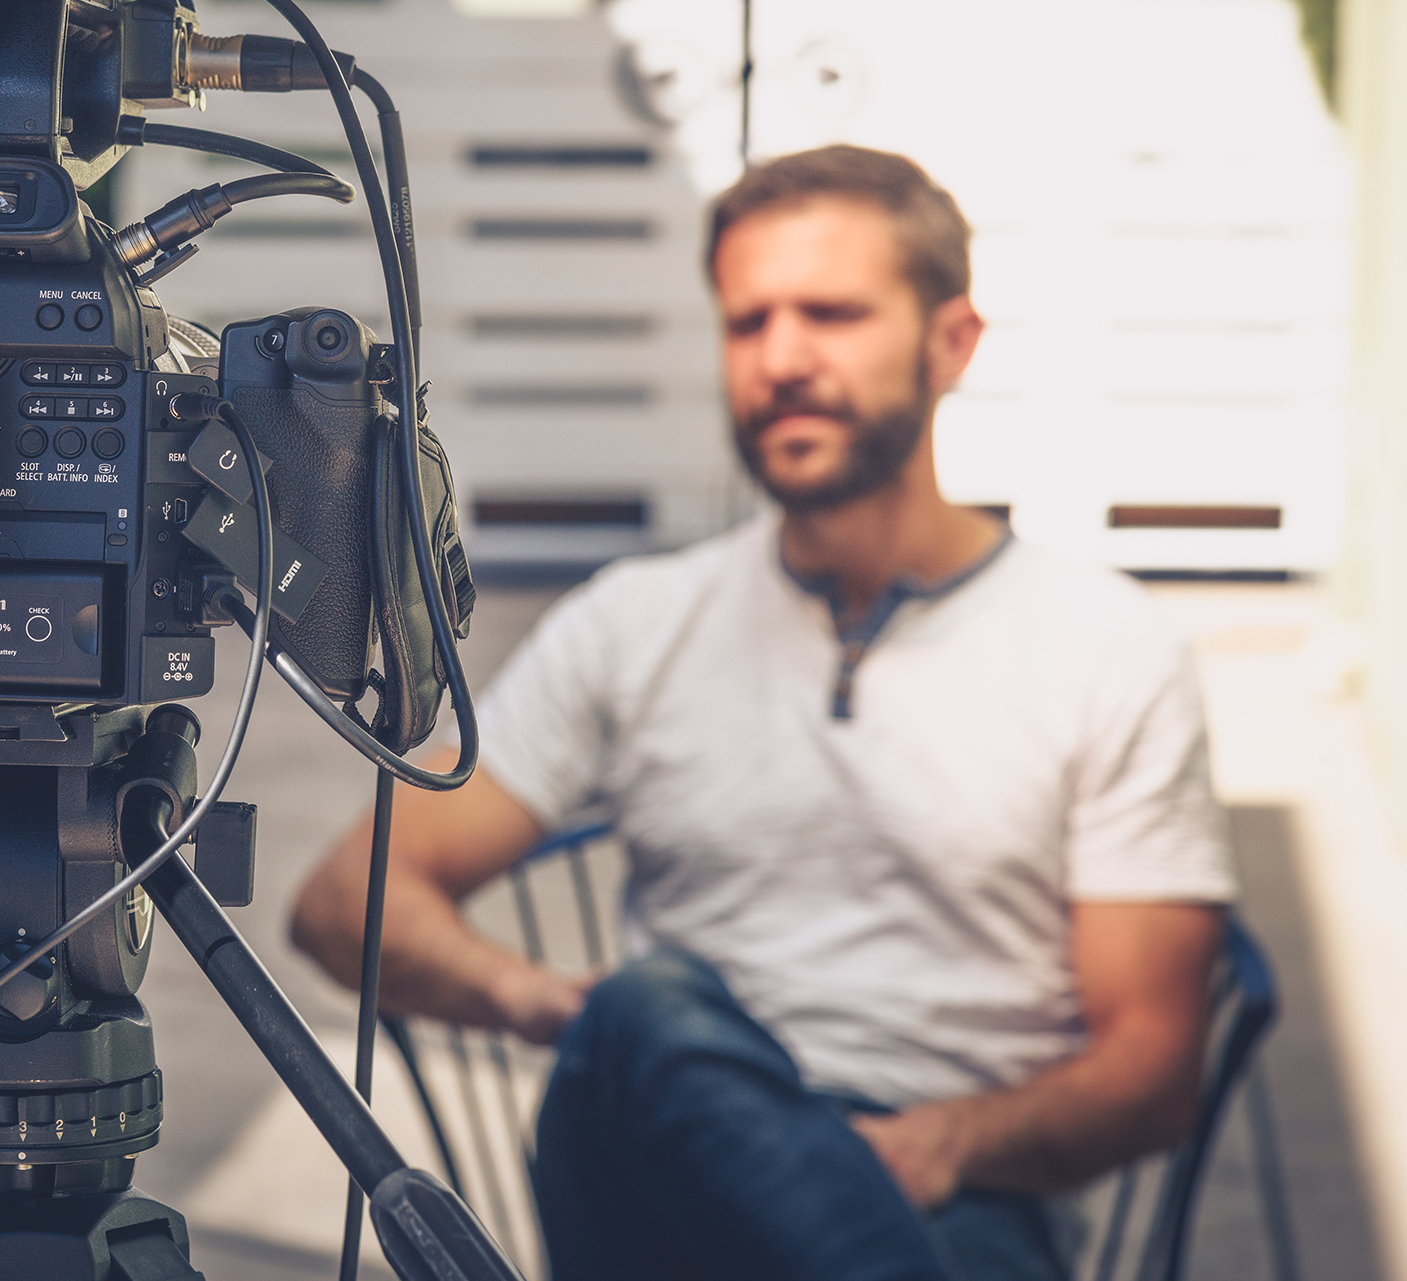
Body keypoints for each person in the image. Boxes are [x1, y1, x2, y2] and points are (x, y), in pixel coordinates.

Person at [290, 145, 1236, 1280]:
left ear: (952, 344)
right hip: (664, 1192)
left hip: (952, 1198)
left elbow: (1150, 1065)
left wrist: (941, 1144)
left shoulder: (1103, 647)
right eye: (748, 322)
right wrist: (550, 1005)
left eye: (829, 314)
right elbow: (348, 901)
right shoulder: (637, 623)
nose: (780, 359)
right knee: (644, 1014)